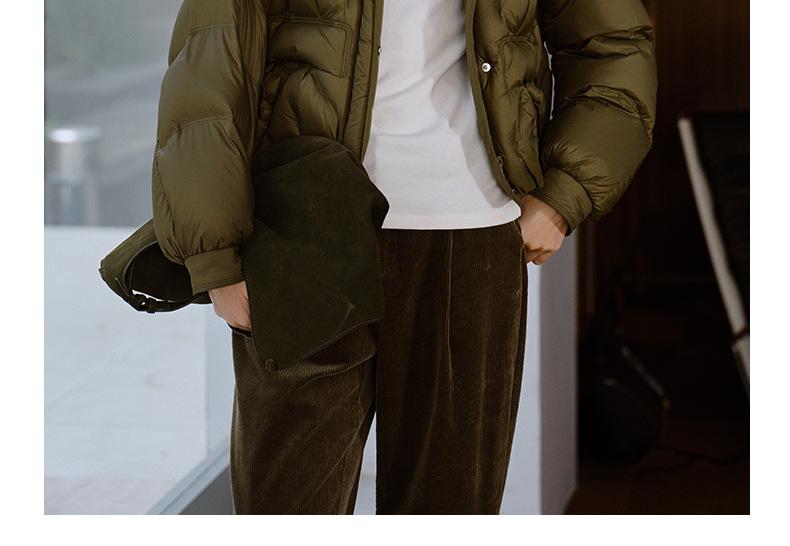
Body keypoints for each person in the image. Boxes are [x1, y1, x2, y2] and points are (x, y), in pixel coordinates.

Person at [150, 0, 657, 514]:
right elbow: (209, 63)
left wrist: (562, 198)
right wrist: (214, 255)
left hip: (472, 239)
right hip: (303, 230)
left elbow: (613, 46)